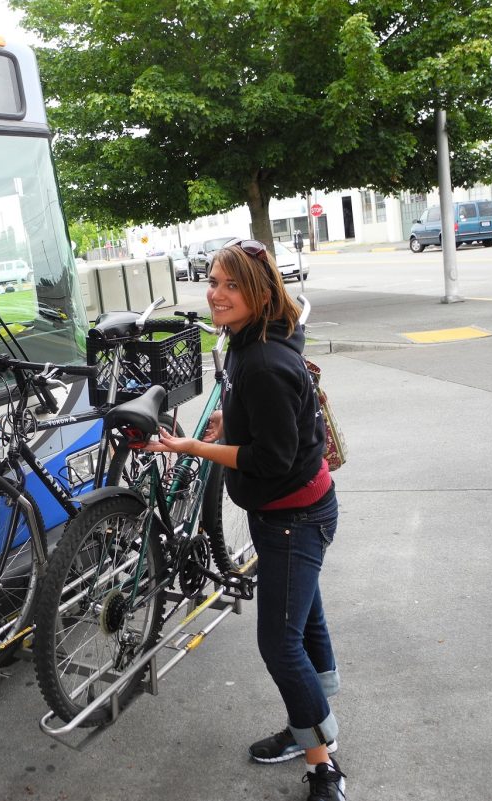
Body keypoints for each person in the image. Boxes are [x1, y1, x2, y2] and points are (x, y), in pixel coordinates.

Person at [144, 240, 346, 801]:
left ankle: (324, 763)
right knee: (305, 625)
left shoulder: (263, 360)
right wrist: (226, 425)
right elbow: (249, 410)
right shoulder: (251, 338)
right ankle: (312, 723)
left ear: (258, 292)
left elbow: (271, 459)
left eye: (232, 286)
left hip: (295, 517)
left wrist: (193, 447)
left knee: (281, 643)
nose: (216, 294)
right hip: (285, 512)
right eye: (213, 281)